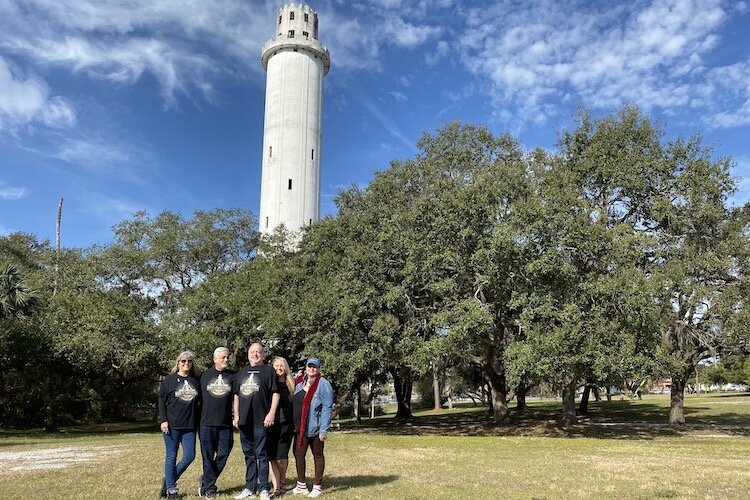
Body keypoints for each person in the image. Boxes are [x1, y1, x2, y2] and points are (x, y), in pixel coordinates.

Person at [233, 343, 280, 500]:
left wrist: (271, 413)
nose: (255, 354)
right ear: (248, 355)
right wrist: (237, 415)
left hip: (262, 420)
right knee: (249, 455)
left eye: (258, 352)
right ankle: (249, 487)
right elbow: (236, 395)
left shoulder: (269, 371)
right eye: (252, 352)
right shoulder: (242, 372)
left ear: (263, 355)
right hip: (245, 421)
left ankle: (264, 489)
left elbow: (275, 393)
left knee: (262, 454)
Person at [158, 350, 201, 500]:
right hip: (172, 426)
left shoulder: (196, 381)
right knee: (171, 456)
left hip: (189, 426)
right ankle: (171, 490)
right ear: (178, 363)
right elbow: (161, 401)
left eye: (189, 361)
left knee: (189, 456)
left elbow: (200, 403)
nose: (186, 364)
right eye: (183, 361)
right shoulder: (169, 380)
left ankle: (168, 481)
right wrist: (163, 420)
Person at [291, 357, 334, 498]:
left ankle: (317, 486)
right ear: (306, 367)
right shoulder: (299, 382)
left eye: (314, 367)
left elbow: (327, 408)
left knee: (318, 455)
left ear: (318, 368)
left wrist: (324, 430)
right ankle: (301, 484)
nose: (312, 369)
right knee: (299, 455)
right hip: (300, 429)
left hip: (315, 428)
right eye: (309, 366)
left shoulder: (323, 384)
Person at [198, 347, 235, 499]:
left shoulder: (233, 376)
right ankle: (210, 489)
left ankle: (206, 480)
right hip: (206, 423)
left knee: (223, 454)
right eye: (223, 357)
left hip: (225, 424)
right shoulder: (204, 376)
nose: (226, 360)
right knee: (207, 457)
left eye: (227, 357)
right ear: (215, 359)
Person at [267, 357, 296, 497]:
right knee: (271, 457)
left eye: (281, 366)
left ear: (286, 368)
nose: (279, 368)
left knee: (281, 457)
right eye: (276, 366)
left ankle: (282, 481)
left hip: (287, 426)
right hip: (271, 425)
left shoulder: (292, 385)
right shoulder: (268, 383)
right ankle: (276, 487)